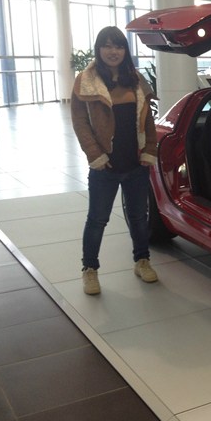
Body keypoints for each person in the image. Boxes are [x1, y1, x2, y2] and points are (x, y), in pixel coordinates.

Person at [71, 26, 158, 295]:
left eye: (119, 46)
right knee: (97, 220)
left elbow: (148, 118)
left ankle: (142, 261)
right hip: (105, 166)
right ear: (99, 49)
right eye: (107, 46)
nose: (113, 51)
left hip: (135, 163)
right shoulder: (86, 80)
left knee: (139, 217)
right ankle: (90, 269)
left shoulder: (135, 78)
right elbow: (80, 122)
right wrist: (95, 155)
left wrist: (149, 150)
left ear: (125, 50)